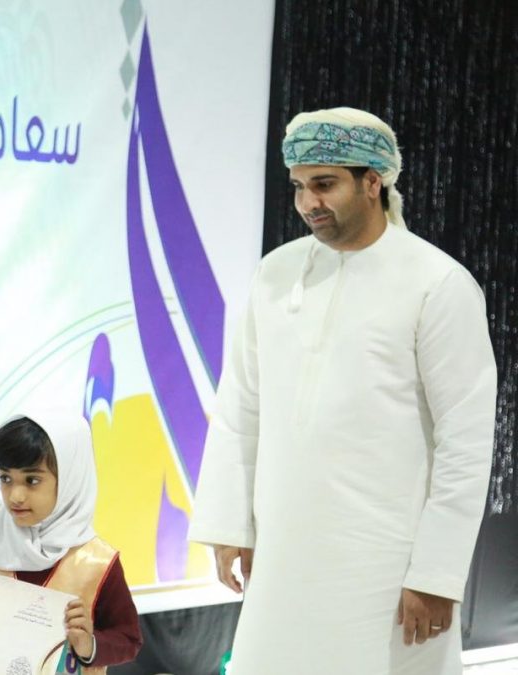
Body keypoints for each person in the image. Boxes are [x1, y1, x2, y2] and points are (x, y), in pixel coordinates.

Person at [188, 107, 497, 674]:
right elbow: (241, 406)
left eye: (325, 184)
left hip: (385, 564)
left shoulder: (438, 284)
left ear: (373, 182)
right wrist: (230, 525)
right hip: (282, 554)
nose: (309, 202)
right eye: (299, 187)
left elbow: (466, 442)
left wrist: (436, 573)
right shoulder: (275, 273)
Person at [0, 411, 143, 672]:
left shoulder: (97, 562)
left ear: (70, 480)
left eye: (32, 480)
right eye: (5, 479)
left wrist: (89, 645)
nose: (15, 496)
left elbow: (129, 639)